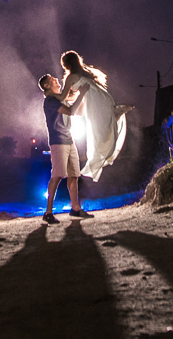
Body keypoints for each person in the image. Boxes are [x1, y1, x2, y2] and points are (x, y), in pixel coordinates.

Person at [59, 51, 129, 181]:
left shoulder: (71, 77)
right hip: (104, 99)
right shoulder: (86, 73)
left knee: (98, 135)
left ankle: (115, 115)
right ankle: (114, 115)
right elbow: (72, 97)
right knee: (97, 127)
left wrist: (51, 94)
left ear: (66, 65)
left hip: (95, 102)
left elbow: (64, 97)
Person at [38, 73, 93, 223]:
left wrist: (78, 90)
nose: (56, 80)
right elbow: (71, 111)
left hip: (69, 140)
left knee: (74, 175)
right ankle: (48, 212)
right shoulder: (50, 101)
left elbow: (71, 99)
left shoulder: (59, 99)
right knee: (57, 176)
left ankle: (75, 208)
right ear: (47, 86)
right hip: (58, 142)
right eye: (52, 80)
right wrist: (82, 93)